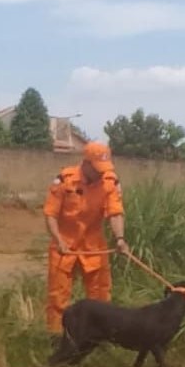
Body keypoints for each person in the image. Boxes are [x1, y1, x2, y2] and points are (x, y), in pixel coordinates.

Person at [43, 141, 130, 340]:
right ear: (86, 163)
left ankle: (98, 338)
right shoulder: (65, 180)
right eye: (97, 169)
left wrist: (120, 239)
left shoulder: (110, 182)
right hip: (64, 246)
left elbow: (115, 213)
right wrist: (58, 240)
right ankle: (57, 338)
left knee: (100, 295)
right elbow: (50, 214)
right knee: (58, 296)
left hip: (94, 247)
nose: (101, 173)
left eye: (104, 168)